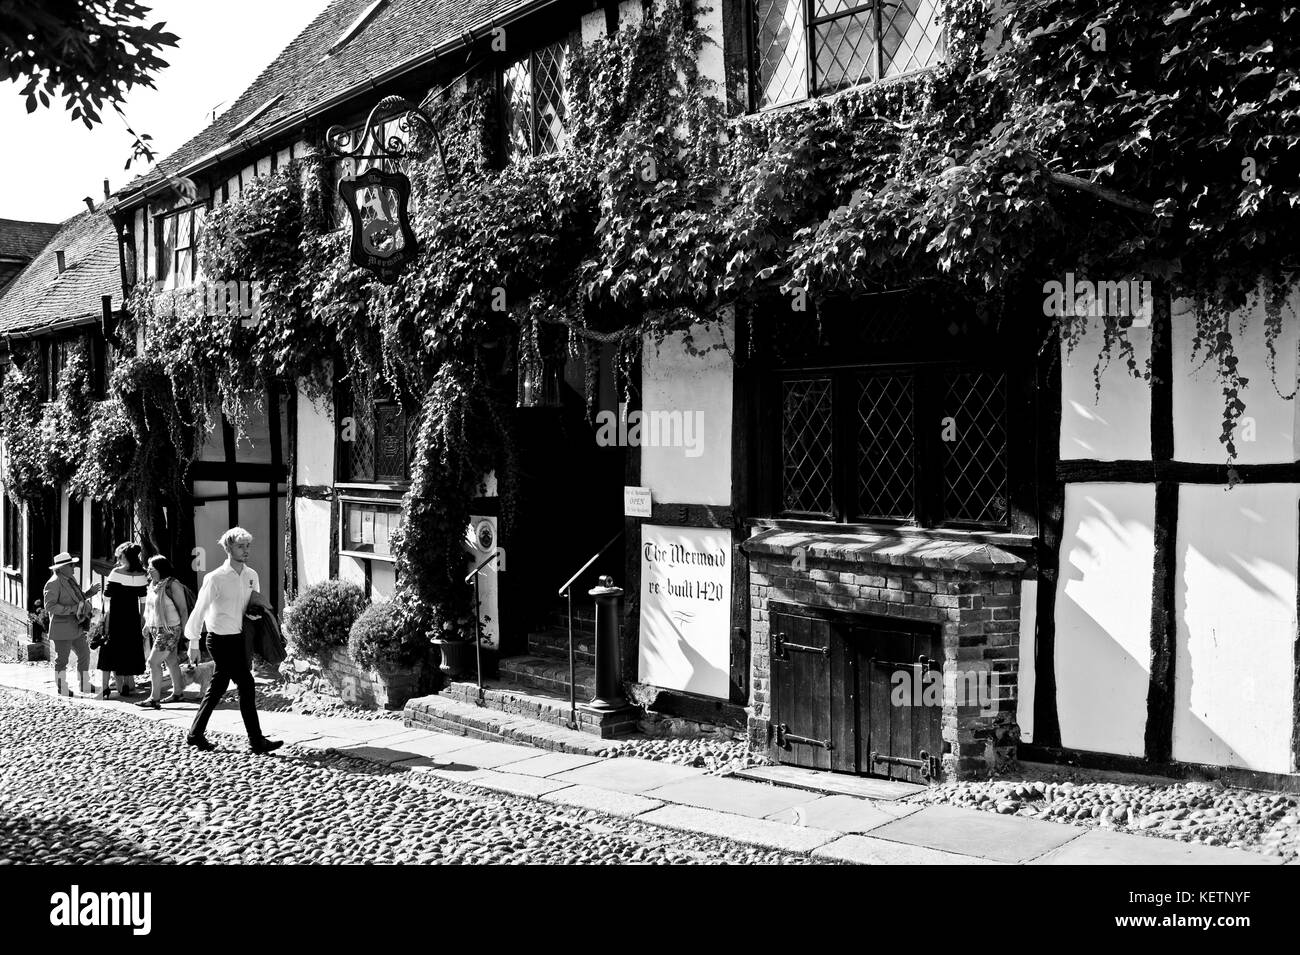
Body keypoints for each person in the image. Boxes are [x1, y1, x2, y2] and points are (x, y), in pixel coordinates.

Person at [185, 527, 282, 754]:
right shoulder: (215, 578)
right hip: (218, 639)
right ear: (228, 548)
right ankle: (256, 741)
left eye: (248, 545)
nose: (246, 550)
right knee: (246, 684)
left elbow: (252, 605)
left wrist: (254, 614)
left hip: (240, 639)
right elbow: (199, 610)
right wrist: (192, 642)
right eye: (241, 546)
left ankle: (195, 734)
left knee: (218, 686)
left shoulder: (251, 576)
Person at [136, 555, 189, 709]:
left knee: (153, 662)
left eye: (151, 568)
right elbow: (150, 608)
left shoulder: (172, 585)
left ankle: (154, 698)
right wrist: (147, 625)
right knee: (171, 661)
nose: (148, 570)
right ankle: (178, 693)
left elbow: (183, 609)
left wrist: (186, 631)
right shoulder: (153, 585)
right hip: (156, 628)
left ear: (160, 569)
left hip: (170, 630)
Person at [43, 552, 99, 696]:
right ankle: (62, 688)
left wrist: (89, 593)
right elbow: (50, 606)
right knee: (62, 660)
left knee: (84, 653)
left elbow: (77, 599)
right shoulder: (53, 583)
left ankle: (84, 684)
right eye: (71, 565)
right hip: (62, 629)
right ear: (61, 568)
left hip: (76, 626)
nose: (74, 567)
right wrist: (72, 610)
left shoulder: (70, 579)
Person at [99, 541, 148, 699]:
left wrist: (104, 619)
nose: (118, 558)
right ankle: (127, 684)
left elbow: (107, 597)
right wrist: (141, 619)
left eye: (120, 556)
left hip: (115, 616)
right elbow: (143, 600)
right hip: (132, 617)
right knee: (129, 650)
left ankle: (106, 687)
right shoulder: (142, 574)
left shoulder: (116, 573)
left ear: (125, 556)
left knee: (109, 650)